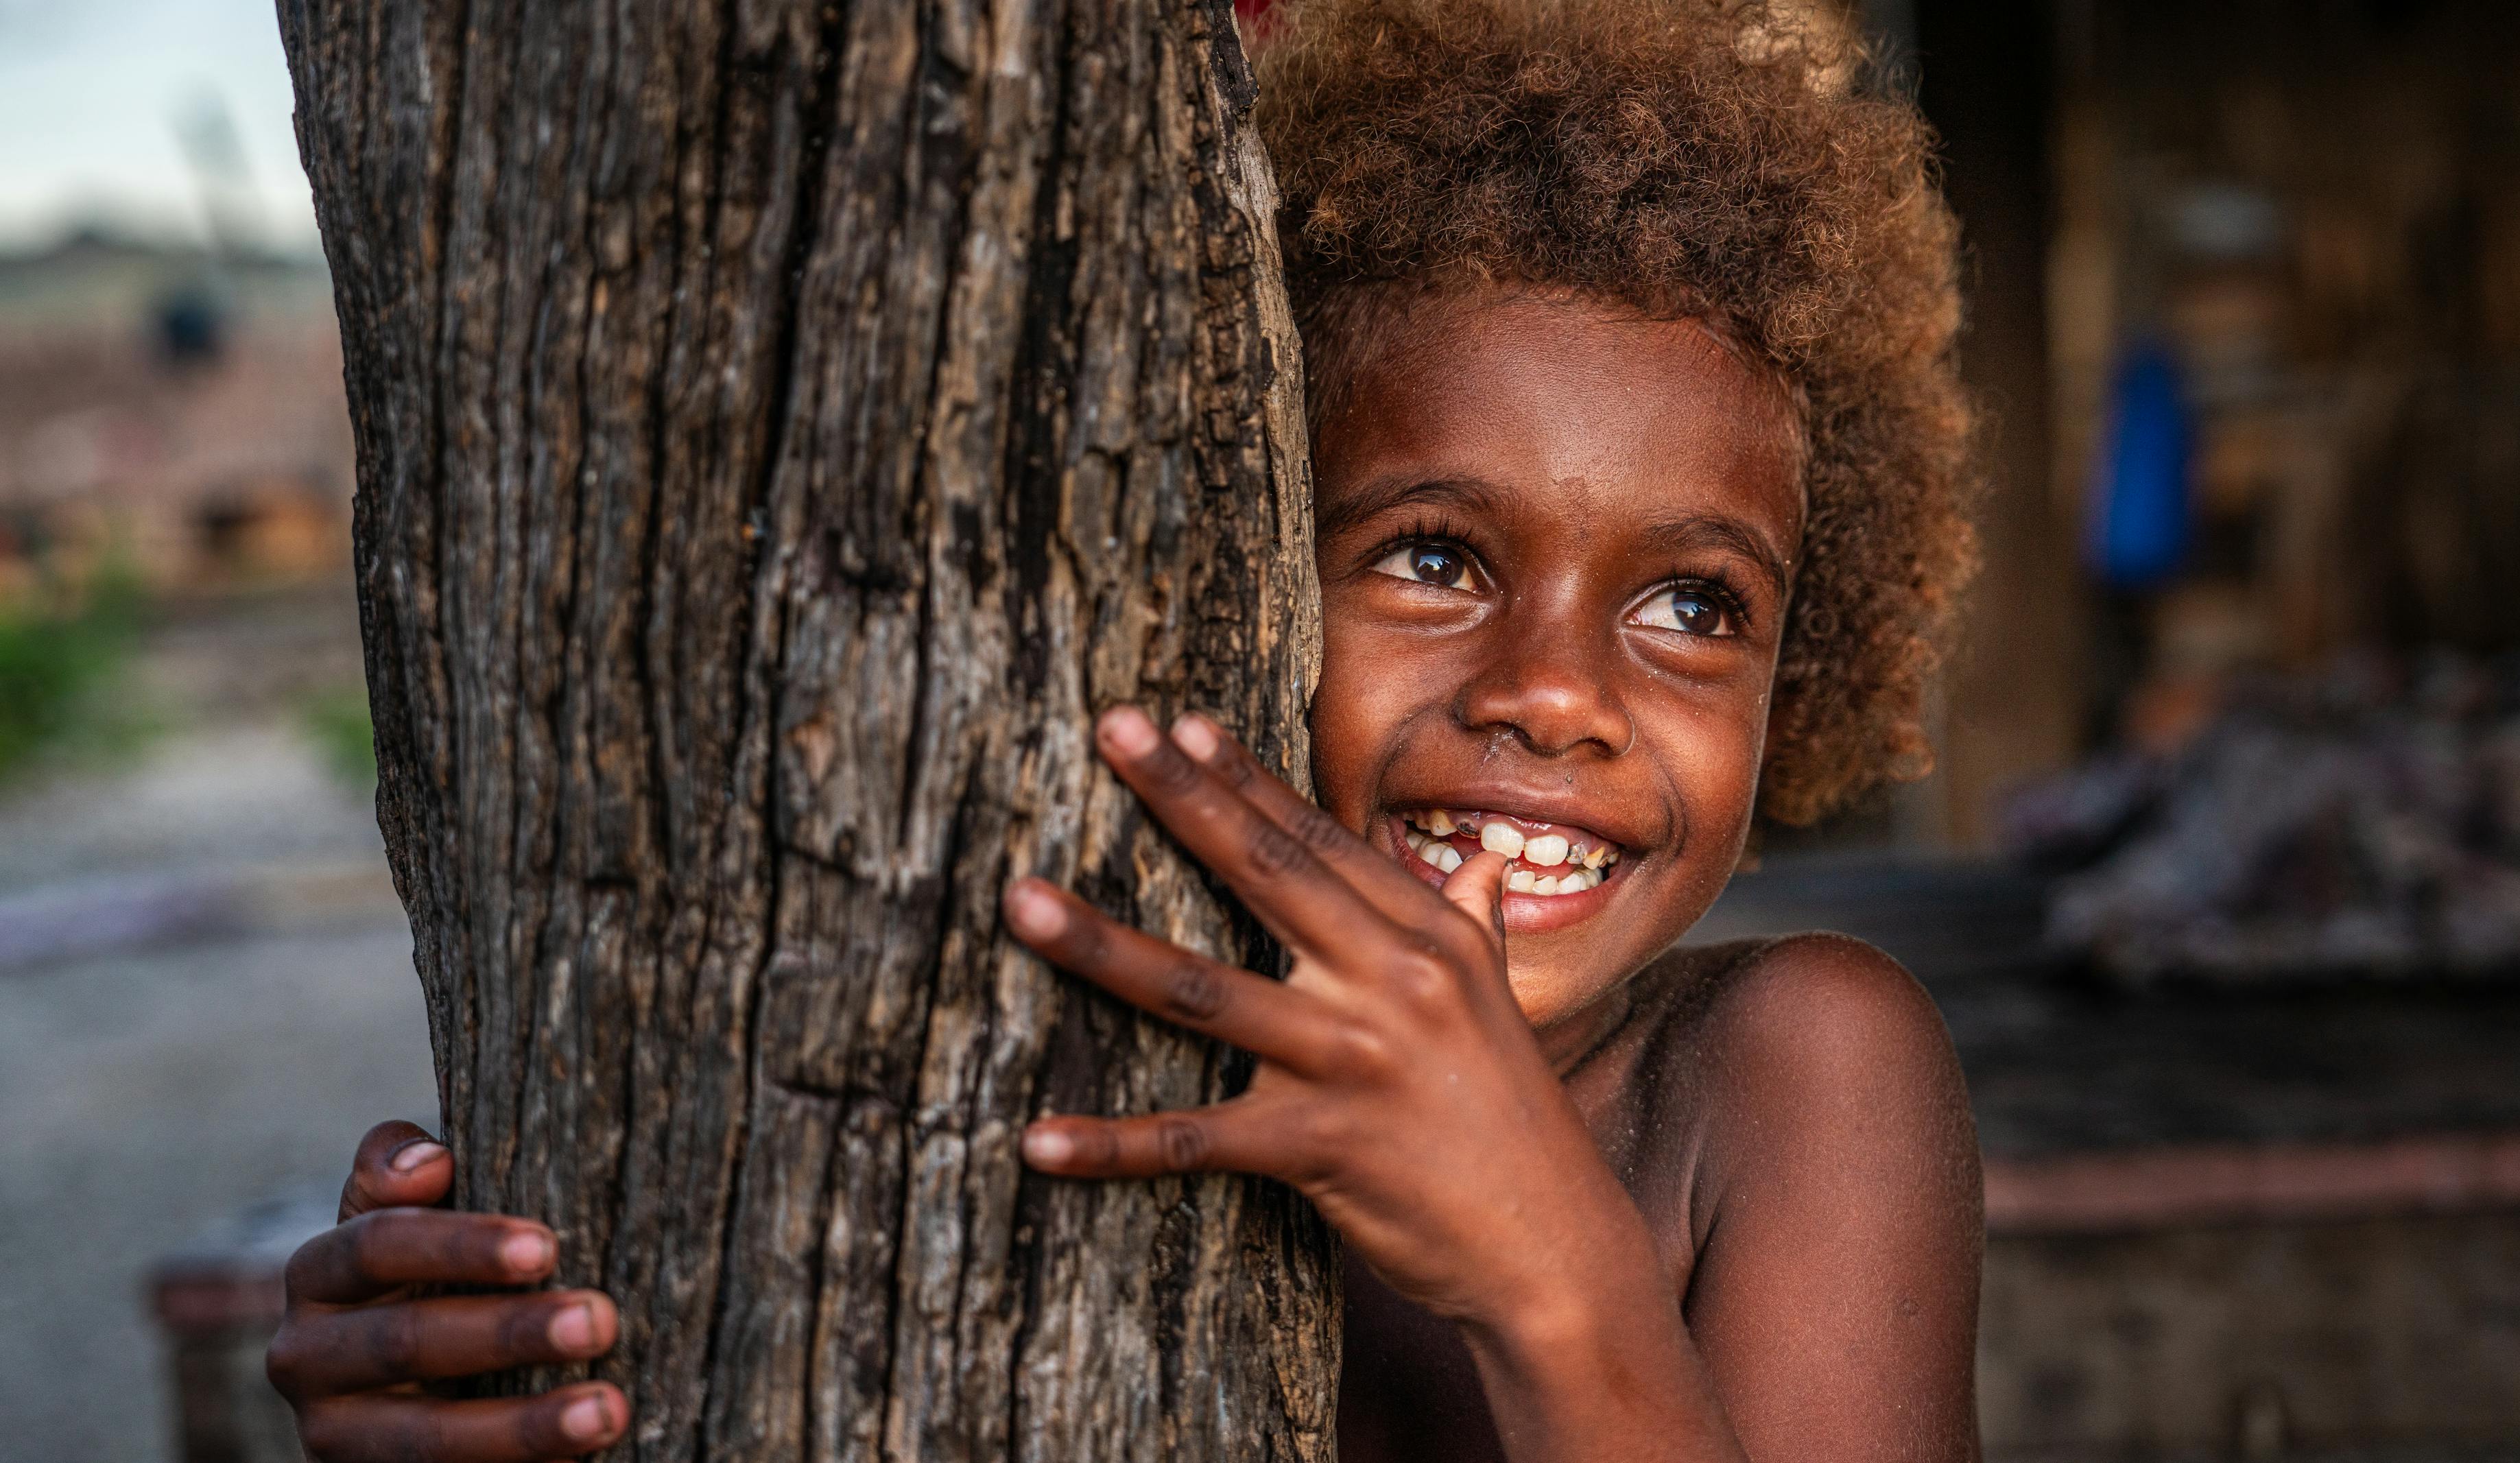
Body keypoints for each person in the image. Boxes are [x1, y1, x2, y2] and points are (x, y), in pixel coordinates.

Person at [263, 0, 1983, 1458]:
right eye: (1437, 556)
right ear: (1240, 581)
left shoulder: (1791, 1072)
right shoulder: (1045, 1034)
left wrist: (1550, 1272)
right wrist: (476, 1352)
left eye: (1694, 604)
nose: (1554, 692)